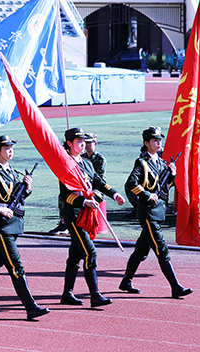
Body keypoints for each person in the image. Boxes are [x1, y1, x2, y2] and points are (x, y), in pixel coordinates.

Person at [0, 135, 49, 319]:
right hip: (2, 226)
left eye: (11, 147)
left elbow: (17, 199)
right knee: (16, 266)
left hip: (14, 224)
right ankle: (30, 306)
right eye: (6, 148)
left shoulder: (14, 173)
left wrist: (28, 189)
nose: (10, 150)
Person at [119, 127, 193, 298]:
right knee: (161, 248)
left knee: (141, 250)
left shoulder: (161, 162)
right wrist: (146, 194)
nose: (159, 143)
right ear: (146, 143)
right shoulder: (142, 162)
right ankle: (175, 287)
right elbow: (131, 183)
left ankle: (126, 281)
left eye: (160, 140)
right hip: (147, 212)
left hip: (157, 211)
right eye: (155, 140)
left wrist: (172, 175)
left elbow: (163, 188)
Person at [57, 128, 125, 307]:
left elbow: (98, 182)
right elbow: (65, 195)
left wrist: (115, 194)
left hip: (88, 215)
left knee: (75, 254)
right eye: (78, 141)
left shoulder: (86, 163)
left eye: (84, 141)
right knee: (90, 252)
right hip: (75, 215)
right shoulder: (66, 164)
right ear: (69, 143)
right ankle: (95, 295)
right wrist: (83, 202)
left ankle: (67, 294)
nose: (83, 144)